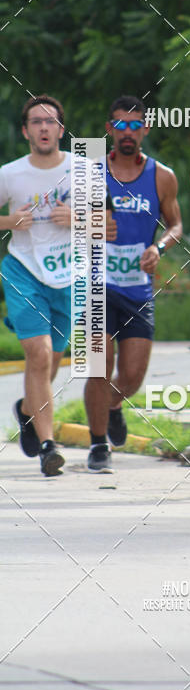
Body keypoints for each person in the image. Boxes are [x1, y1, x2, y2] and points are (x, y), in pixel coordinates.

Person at [83, 96, 182, 473]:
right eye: (120, 126)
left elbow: (176, 224)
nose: (128, 132)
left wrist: (158, 246)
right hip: (95, 283)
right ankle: (97, 446)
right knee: (99, 366)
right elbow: (66, 220)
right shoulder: (90, 171)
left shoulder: (162, 176)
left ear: (145, 129)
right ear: (110, 130)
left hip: (137, 287)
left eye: (135, 125)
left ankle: (110, 407)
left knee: (133, 376)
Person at [0, 95, 73, 476]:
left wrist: (77, 217)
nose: (44, 127)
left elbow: (108, 224)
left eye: (51, 121)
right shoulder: (10, 174)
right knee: (39, 354)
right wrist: (9, 221)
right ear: (26, 130)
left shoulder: (84, 170)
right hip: (23, 270)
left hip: (67, 276)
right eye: (36, 121)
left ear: (61, 129)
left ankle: (27, 411)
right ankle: (48, 447)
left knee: (51, 363)